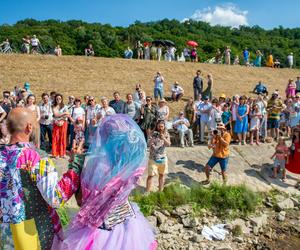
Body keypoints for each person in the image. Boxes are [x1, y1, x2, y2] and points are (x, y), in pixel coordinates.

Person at [54, 115, 157, 250]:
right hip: (129, 225)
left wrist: (76, 163)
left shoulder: (95, 166)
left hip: (100, 231)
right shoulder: (132, 165)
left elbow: (81, 201)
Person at [0, 107, 82, 250]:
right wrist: (76, 166)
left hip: (5, 234)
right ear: (29, 127)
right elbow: (56, 198)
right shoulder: (34, 156)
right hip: (35, 233)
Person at [146, 120, 171, 192]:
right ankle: (147, 192)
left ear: (164, 127)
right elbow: (148, 144)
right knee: (150, 176)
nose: (160, 128)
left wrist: (163, 138)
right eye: (159, 126)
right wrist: (153, 139)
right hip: (153, 158)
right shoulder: (152, 134)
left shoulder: (166, 134)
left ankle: (160, 191)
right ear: (157, 126)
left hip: (163, 158)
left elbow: (168, 144)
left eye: (162, 126)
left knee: (162, 175)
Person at [52, 94, 70, 158]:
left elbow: (68, 115)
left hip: (64, 123)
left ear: (61, 99)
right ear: (55, 99)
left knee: (63, 138)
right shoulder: (53, 106)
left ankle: (63, 153)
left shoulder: (65, 106)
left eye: (59, 98)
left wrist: (61, 117)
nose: (58, 100)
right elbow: (55, 114)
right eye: (57, 99)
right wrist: (63, 114)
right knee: (56, 138)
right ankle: (56, 153)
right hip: (56, 123)